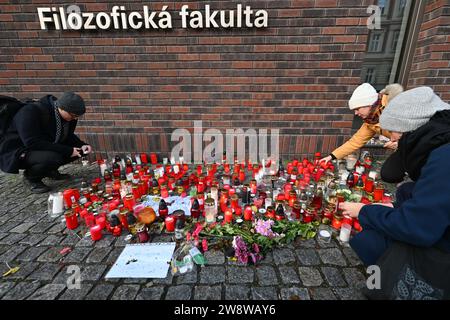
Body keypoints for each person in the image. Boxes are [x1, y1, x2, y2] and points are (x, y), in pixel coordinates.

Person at [340, 87, 450, 299]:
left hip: (439, 255)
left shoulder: (444, 161)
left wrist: (364, 211)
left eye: (397, 137)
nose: (394, 143)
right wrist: (398, 205)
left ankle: (383, 287)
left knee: (370, 241)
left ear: (409, 129)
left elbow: (417, 227)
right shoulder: (440, 146)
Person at [0, 92, 92, 193]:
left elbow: (68, 135)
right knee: (54, 158)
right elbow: (32, 142)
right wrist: (68, 150)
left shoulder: (67, 117)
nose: (75, 118)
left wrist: (82, 145)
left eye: (77, 116)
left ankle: (49, 171)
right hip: (19, 150)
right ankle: (31, 178)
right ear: (62, 108)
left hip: (42, 145)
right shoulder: (29, 111)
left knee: (80, 151)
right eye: (73, 115)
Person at [320, 83, 403, 164]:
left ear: (368, 105)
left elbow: (412, 130)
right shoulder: (370, 121)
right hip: (404, 145)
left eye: (357, 109)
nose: (355, 113)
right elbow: (354, 142)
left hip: (413, 142)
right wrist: (331, 157)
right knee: (388, 173)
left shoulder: (395, 105)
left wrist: (401, 143)